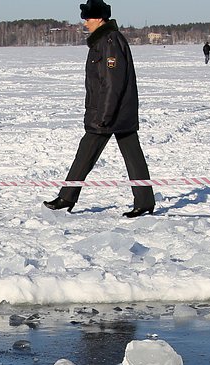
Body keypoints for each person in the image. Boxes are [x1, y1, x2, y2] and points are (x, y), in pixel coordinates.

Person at [44, 0, 155, 218]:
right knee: (120, 155)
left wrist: (105, 114)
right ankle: (144, 201)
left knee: (95, 153)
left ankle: (67, 197)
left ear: (100, 18)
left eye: (88, 18)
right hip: (114, 112)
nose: (85, 22)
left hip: (111, 113)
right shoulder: (103, 41)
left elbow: (112, 82)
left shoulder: (109, 42)